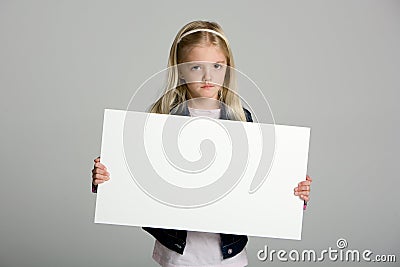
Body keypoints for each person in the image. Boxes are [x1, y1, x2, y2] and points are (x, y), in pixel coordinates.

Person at [91, 20, 313, 267]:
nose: (208, 76)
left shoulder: (243, 120)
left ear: (227, 68)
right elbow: (138, 179)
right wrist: (108, 181)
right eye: (196, 67)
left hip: (229, 255)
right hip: (177, 253)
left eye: (217, 66)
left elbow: (259, 182)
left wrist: (292, 195)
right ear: (181, 70)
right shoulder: (162, 119)